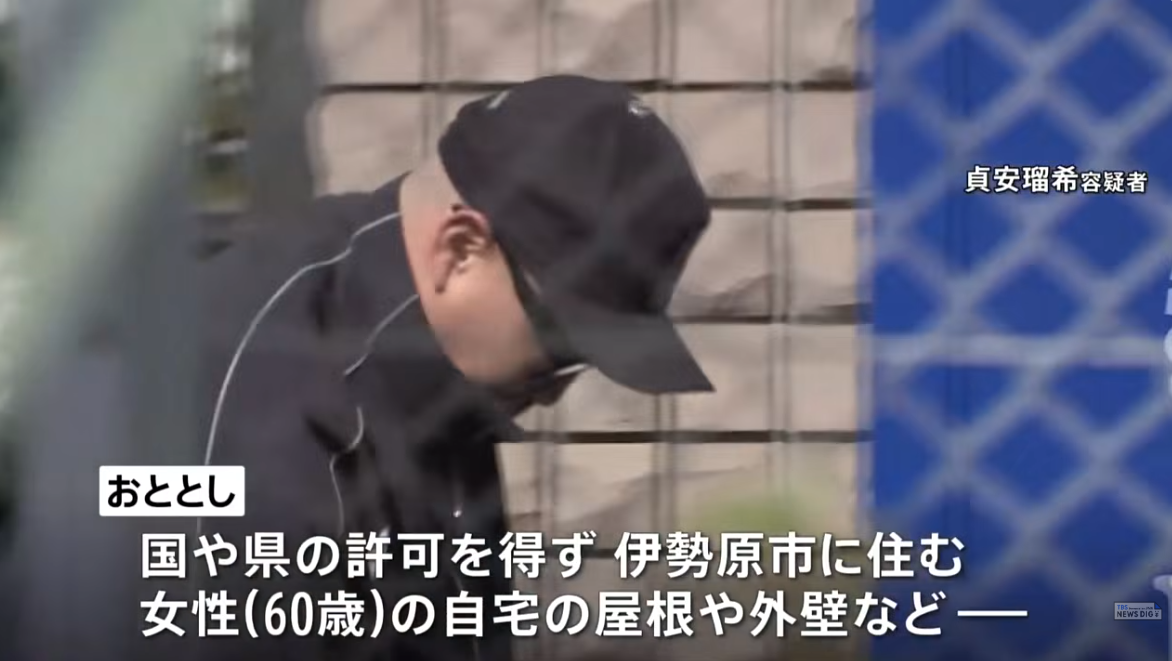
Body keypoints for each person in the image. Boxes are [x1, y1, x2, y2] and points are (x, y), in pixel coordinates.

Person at [191, 74, 715, 661]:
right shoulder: (249, 394)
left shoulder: (434, 373)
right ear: (461, 248)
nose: (552, 392)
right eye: (561, 345)